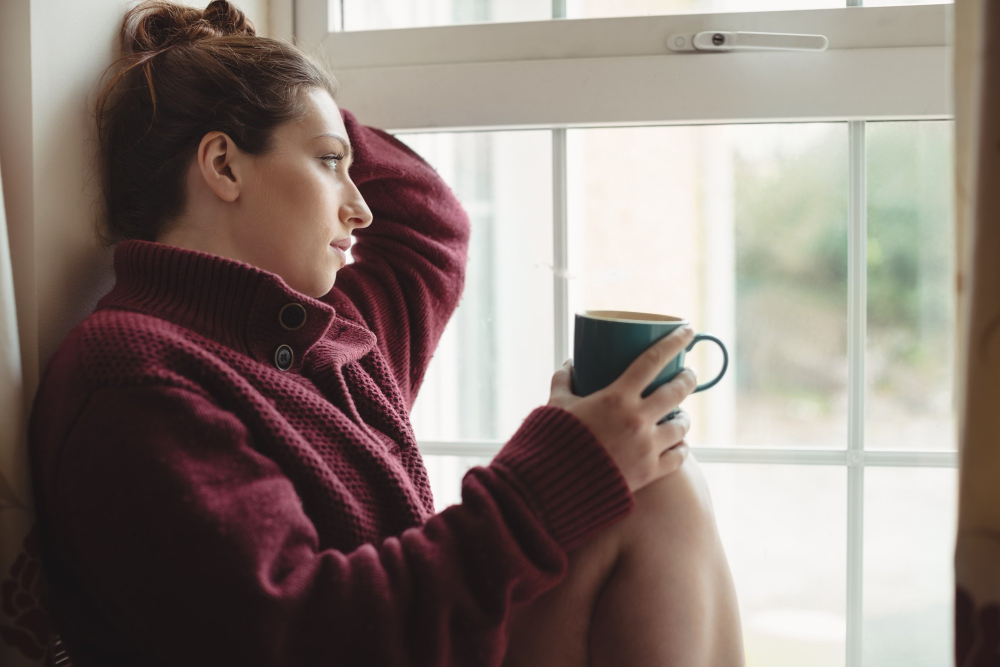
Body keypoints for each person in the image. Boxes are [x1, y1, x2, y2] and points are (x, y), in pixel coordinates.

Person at [26, 1, 744, 665]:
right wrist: (556, 472)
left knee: (657, 482)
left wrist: (254, 76)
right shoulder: (134, 378)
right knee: (649, 493)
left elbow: (429, 227)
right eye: (331, 164)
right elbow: (293, 635)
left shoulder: (328, 337)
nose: (360, 209)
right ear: (221, 165)